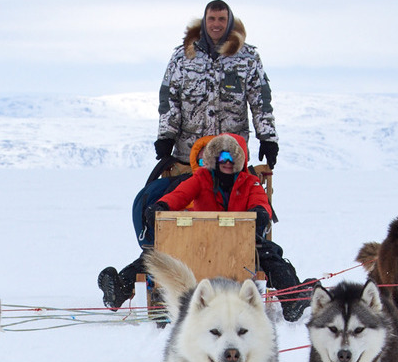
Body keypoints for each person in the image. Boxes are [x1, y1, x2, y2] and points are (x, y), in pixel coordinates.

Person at [99, 134, 311, 322]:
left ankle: (292, 300)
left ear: (240, 159)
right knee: (157, 254)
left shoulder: (250, 182)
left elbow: (260, 202)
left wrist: (259, 213)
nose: (226, 163)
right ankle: (120, 288)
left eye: (231, 157)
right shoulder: (201, 178)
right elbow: (180, 195)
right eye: (221, 158)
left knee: (270, 255)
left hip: (240, 242)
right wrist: (162, 205)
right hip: (199, 240)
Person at [154, 0, 279, 171]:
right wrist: (166, 137)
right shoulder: (182, 57)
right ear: (205, 22)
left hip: (230, 157)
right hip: (189, 156)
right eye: (211, 18)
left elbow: (261, 101)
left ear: (229, 22)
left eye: (222, 19)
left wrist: (268, 138)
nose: (216, 24)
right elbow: (169, 99)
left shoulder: (248, 58)